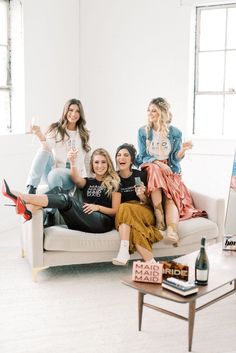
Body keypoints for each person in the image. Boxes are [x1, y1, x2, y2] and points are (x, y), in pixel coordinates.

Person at [136, 97, 206, 245]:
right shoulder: (143, 131)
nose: (150, 113)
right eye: (148, 110)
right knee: (154, 168)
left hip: (170, 169)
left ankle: (171, 231)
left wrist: (183, 149)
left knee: (169, 196)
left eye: (154, 110)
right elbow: (142, 156)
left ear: (162, 112)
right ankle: (158, 214)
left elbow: (174, 159)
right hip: (151, 167)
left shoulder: (175, 133)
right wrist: (158, 163)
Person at [2, 148, 121, 233]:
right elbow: (75, 178)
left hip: (101, 222)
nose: (100, 165)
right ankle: (29, 208)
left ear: (108, 164)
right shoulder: (87, 182)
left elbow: (115, 211)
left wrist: (98, 208)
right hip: (80, 220)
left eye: (103, 162)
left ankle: (24, 198)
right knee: (58, 190)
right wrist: (73, 162)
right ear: (92, 165)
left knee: (66, 200)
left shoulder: (114, 183)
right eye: (96, 162)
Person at [26, 98, 91, 227]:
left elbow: (87, 159)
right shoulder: (56, 129)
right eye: (71, 110)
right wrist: (38, 133)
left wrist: (91, 181)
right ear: (65, 111)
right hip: (52, 173)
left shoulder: (85, 134)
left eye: (77, 111)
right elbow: (47, 148)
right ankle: (30, 189)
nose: (73, 114)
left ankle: (50, 213)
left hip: (71, 175)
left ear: (80, 114)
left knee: (55, 174)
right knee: (43, 151)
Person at [112, 143, 163, 266]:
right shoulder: (113, 177)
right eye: (118, 155)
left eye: (125, 155)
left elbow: (150, 203)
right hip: (125, 217)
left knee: (124, 207)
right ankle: (152, 263)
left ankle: (124, 250)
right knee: (134, 229)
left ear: (131, 160)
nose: (121, 158)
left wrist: (142, 196)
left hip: (143, 211)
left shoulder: (140, 175)